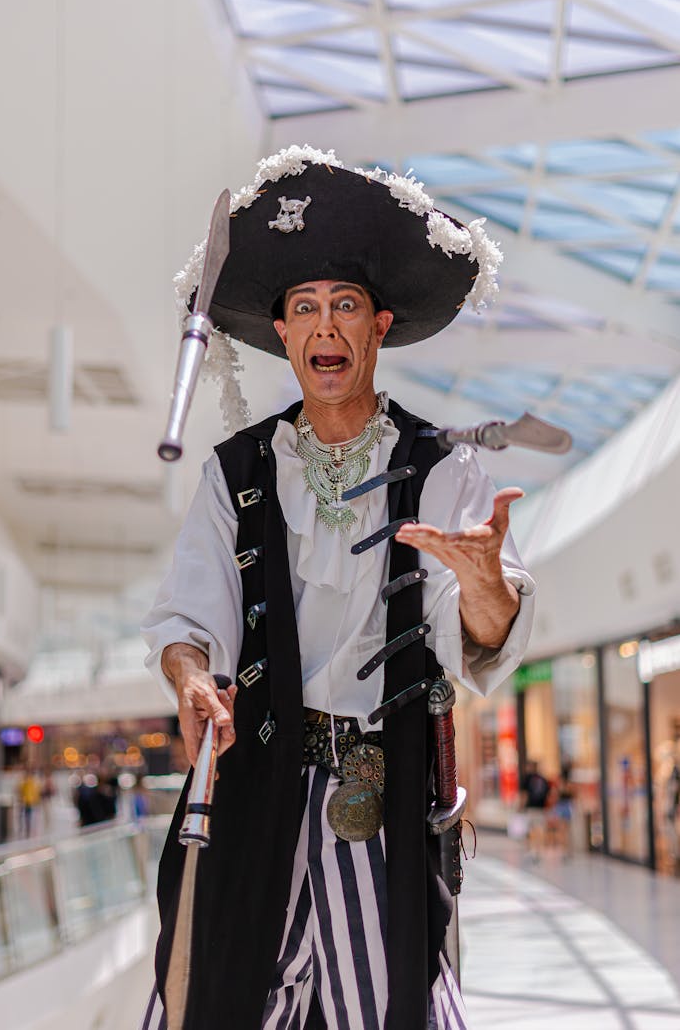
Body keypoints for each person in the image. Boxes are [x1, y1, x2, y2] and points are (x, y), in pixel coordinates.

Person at [140, 146, 535, 1030]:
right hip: (253, 786)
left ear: (379, 326)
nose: (326, 326)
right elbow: (189, 614)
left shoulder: (443, 467)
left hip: (383, 793)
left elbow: (472, 624)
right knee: (222, 996)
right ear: (282, 332)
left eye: (346, 306)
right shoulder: (235, 471)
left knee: (388, 1002)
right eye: (306, 308)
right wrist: (189, 673)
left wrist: (483, 587)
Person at [519, 759, 552, 861]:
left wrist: (521, 807)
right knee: (540, 830)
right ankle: (539, 850)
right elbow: (549, 794)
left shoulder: (528, 778)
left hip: (531, 808)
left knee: (531, 830)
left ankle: (532, 850)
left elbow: (524, 794)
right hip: (541, 808)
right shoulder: (543, 779)